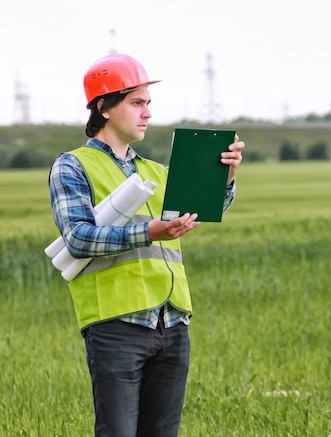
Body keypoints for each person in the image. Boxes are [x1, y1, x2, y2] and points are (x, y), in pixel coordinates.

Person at [48, 53, 245, 436]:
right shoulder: (72, 166)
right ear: (104, 107)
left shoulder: (156, 171)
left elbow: (202, 209)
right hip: (116, 326)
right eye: (137, 102)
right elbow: (77, 237)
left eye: (148, 103)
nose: (147, 113)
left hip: (171, 323)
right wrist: (149, 233)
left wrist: (227, 177)